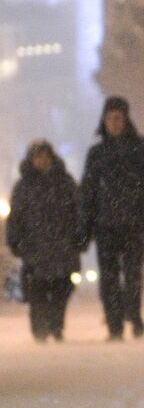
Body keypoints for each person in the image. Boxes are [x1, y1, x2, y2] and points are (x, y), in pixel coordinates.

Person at [80, 96, 144, 341]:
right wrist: (86, 223)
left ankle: (134, 316)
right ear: (104, 120)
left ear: (126, 120)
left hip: (134, 224)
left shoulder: (143, 148)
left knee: (133, 274)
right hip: (105, 226)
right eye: (110, 118)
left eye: (118, 118)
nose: (114, 122)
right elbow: (88, 191)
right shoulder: (96, 153)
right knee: (109, 278)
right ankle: (115, 324)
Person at [5, 141, 82, 342]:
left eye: (45, 156)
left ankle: (56, 325)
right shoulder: (23, 187)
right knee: (37, 291)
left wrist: (78, 237)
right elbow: (16, 218)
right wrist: (15, 241)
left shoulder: (65, 183)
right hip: (34, 250)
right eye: (38, 157)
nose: (42, 160)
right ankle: (40, 329)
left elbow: (78, 213)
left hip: (62, 248)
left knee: (61, 289)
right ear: (31, 160)